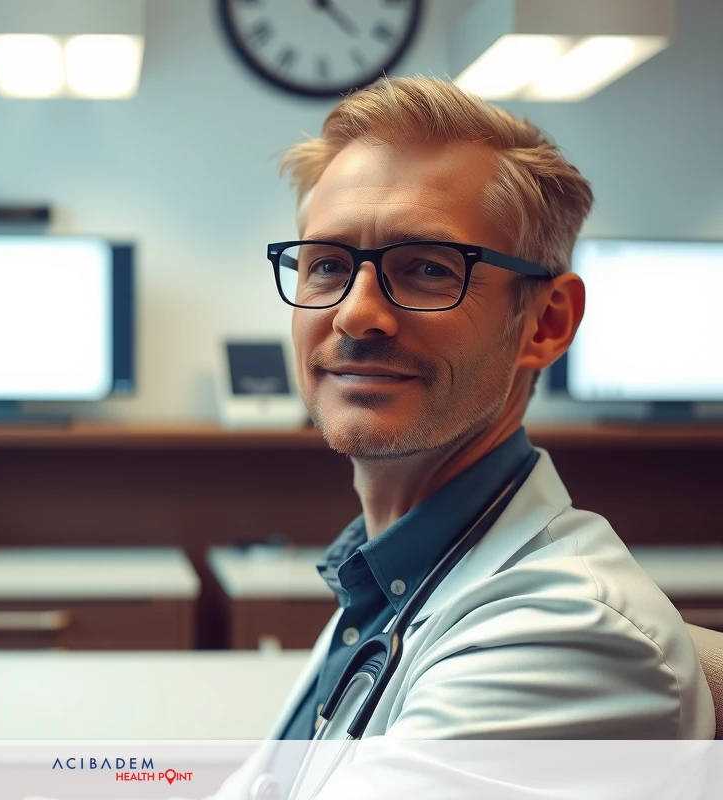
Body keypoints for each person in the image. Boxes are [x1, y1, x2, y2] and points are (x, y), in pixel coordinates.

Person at [214, 75, 714, 799]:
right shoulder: (390, 577)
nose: (357, 316)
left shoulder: (564, 639)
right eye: (326, 264)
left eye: (425, 269)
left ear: (545, 323)